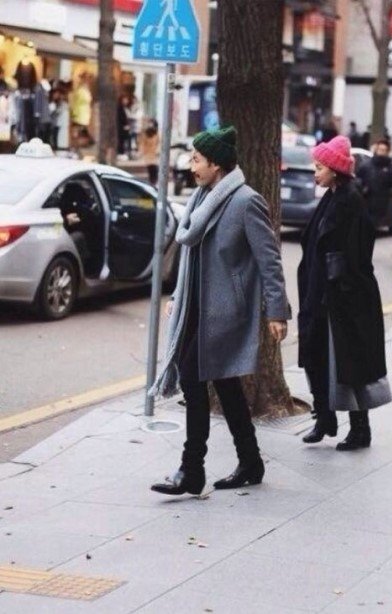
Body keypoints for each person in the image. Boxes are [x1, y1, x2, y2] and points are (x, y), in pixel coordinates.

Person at [150, 125, 291, 496]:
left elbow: (270, 262)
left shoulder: (246, 202)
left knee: (193, 380)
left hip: (226, 313)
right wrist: (179, 294)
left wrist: (277, 311)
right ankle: (251, 460)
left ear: (216, 164)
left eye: (197, 159)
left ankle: (191, 469)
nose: (191, 165)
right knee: (226, 386)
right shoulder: (201, 198)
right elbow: (191, 256)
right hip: (196, 310)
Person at [298, 136, 392, 451]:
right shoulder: (333, 196)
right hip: (321, 293)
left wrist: (339, 286)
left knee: (349, 363)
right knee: (316, 355)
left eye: (319, 167)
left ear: (335, 170)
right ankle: (325, 419)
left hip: (342, 297)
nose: (315, 173)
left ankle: (360, 429)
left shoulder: (350, 200)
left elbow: (358, 253)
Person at [357, 139, 392, 228]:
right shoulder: (366, 166)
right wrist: (363, 189)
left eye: (383, 150)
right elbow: (357, 181)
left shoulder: (391, 169)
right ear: (376, 150)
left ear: (387, 152)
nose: (381, 152)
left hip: (383, 206)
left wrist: (391, 193)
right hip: (367, 204)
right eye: (379, 149)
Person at [141, 117, 160, 186]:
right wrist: (142, 153)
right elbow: (142, 145)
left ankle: (153, 184)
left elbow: (159, 143)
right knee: (151, 171)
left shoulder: (157, 134)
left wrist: (158, 150)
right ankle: (152, 183)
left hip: (154, 155)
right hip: (148, 156)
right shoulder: (145, 134)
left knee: (154, 171)